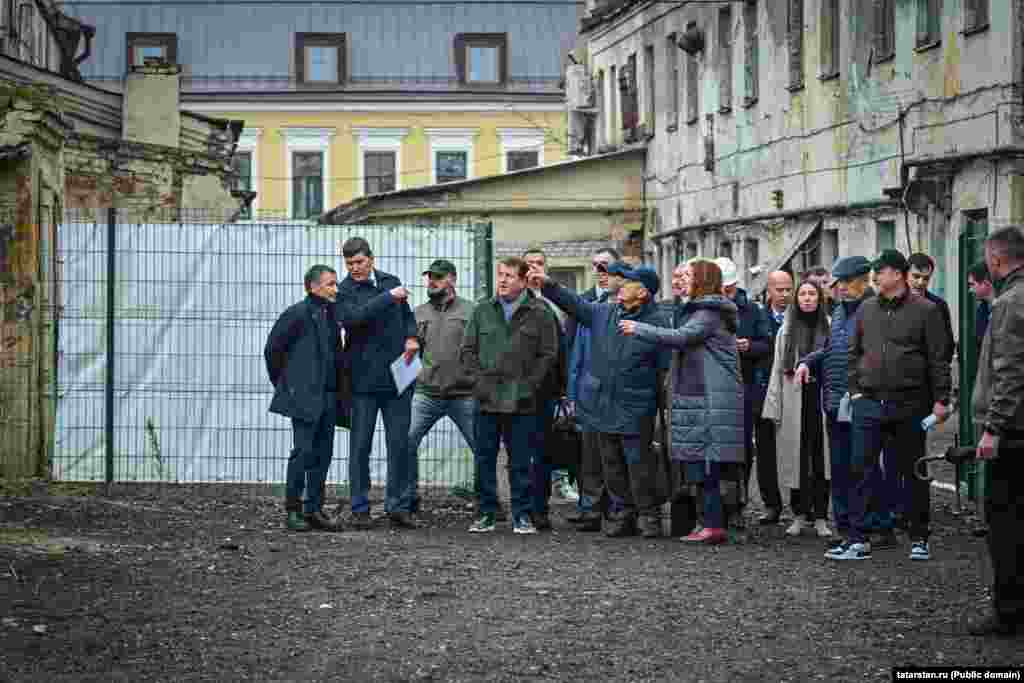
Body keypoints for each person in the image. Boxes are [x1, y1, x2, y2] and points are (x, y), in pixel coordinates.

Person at [830, 248, 952, 562]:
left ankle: (919, 537)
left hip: (909, 402)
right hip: (868, 402)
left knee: (912, 471)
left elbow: (938, 359)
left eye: (880, 270)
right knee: (861, 469)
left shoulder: (926, 311)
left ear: (896, 274)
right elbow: (854, 354)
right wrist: (856, 391)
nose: (874, 276)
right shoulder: (866, 309)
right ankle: (858, 539)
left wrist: (941, 399)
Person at [534, 263, 671, 538]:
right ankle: (623, 514)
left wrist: (661, 408)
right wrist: (547, 284)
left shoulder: (657, 323)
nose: (620, 285)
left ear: (642, 292)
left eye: (628, 283)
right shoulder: (604, 312)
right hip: (602, 402)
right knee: (611, 464)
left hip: (636, 404)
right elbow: (573, 303)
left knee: (638, 464)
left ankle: (649, 515)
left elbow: (664, 368)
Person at [620, 259, 745, 544]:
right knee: (698, 465)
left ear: (702, 280)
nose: (683, 280)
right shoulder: (701, 310)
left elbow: (681, 337)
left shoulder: (708, 313)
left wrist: (639, 329)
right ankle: (706, 523)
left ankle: (713, 525)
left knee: (707, 466)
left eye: (689, 275)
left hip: (710, 400)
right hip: (697, 398)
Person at [460, 256, 559, 534]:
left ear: (524, 280)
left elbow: (548, 355)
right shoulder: (482, 311)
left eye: (509, 276)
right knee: (484, 458)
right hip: (486, 398)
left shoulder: (540, 312)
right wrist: (478, 382)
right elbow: (467, 351)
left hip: (522, 400)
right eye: (500, 275)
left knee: (520, 462)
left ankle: (522, 515)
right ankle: (486, 513)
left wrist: (530, 386)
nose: (502, 280)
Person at [336, 237, 420, 529]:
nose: (354, 268)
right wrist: (388, 298)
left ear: (371, 259)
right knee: (360, 447)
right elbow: (353, 319)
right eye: (349, 264)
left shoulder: (390, 281)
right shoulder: (344, 290)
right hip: (362, 382)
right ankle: (360, 507)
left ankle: (397, 506)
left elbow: (408, 317)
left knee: (399, 444)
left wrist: (412, 338)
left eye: (359, 262)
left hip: (398, 378)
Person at [796, 256, 874, 548]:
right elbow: (831, 350)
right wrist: (807, 361)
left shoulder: (872, 310)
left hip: (859, 400)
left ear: (862, 281)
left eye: (845, 282)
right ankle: (845, 529)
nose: (839, 288)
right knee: (840, 468)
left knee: (861, 468)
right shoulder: (840, 312)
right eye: (837, 283)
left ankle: (865, 529)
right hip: (834, 401)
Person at [968, 226, 1024, 636]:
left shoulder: (1008, 304)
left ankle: (1008, 611)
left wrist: (993, 428)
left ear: (998, 260)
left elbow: (1010, 373)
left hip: (1014, 434)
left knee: (1005, 525)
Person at [264, 264, 344, 532]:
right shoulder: (297, 314)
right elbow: (272, 351)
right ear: (313, 287)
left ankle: (315, 509)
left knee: (323, 454)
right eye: (330, 284)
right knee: (303, 453)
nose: (336, 288)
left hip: (328, 396)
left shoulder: (331, 313)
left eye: (335, 283)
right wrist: (288, 386)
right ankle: (293, 510)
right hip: (305, 397)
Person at [763, 280, 832, 538]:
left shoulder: (830, 326)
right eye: (802, 293)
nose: (806, 298)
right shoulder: (786, 329)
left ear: (819, 297)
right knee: (797, 459)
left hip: (821, 400)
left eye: (812, 293)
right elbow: (778, 370)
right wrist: (774, 406)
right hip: (794, 400)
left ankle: (822, 516)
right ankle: (800, 514)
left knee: (821, 460)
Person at [407, 258, 476, 514]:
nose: (432, 281)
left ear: (452, 279)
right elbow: (409, 353)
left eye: (438, 276)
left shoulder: (471, 311)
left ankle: (488, 502)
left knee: (482, 446)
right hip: (427, 393)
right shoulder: (419, 313)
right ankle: (408, 499)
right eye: (430, 277)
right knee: (406, 441)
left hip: (465, 394)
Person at [565, 251, 625, 530]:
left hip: (614, 390)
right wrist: (572, 391)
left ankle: (616, 510)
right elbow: (574, 348)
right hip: (588, 387)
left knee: (613, 456)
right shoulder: (585, 303)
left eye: (606, 266)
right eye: (596, 266)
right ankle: (589, 508)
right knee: (589, 454)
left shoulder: (628, 303)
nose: (600, 270)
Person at [716, 258, 775, 525]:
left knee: (740, 448)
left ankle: (737, 505)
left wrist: (748, 346)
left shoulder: (751, 310)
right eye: (721, 288)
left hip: (744, 385)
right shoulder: (707, 308)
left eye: (728, 289)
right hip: (715, 387)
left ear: (735, 285)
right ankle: (716, 503)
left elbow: (766, 345)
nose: (724, 293)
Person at [522, 247, 571, 529]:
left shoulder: (557, 303)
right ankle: (523, 507)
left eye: (539, 264)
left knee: (542, 451)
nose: (534, 270)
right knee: (520, 451)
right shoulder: (511, 302)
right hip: (518, 389)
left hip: (547, 390)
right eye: (529, 265)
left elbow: (562, 349)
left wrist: (563, 387)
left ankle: (539, 509)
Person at [752, 269, 794, 524]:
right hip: (765, 390)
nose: (785, 294)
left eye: (789, 289)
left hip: (794, 391)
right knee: (766, 451)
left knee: (797, 448)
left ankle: (802, 506)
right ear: (769, 290)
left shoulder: (801, 315)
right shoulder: (758, 317)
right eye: (780, 290)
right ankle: (771, 505)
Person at [967, 261, 995, 356]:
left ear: (985, 284)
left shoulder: (1006, 307)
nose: (970, 290)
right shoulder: (982, 310)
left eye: (972, 284)